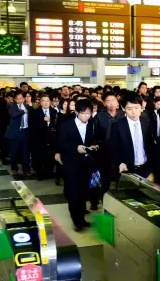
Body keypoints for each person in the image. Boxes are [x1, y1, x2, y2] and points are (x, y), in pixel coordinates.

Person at [57, 99, 98, 231]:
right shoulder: (66, 125)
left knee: (83, 192)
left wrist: (93, 145)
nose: (87, 116)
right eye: (84, 113)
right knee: (73, 191)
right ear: (76, 112)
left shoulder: (91, 124)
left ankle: (81, 217)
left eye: (89, 113)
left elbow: (91, 139)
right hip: (71, 163)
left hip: (86, 163)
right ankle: (76, 220)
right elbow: (61, 144)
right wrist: (76, 148)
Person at [110, 92, 155, 179]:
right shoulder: (117, 126)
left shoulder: (146, 122)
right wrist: (120, 163)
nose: (134, 112)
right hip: (127, 168)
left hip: (146, 167)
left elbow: (150, 143)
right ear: (123, 108)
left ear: (141, 107)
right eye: (130, 109)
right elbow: (113, 148)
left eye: (136, 108)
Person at [30, 95, 58, 180]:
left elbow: (57, 125)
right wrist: (43, 120)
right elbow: (33, 125)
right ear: (40, 103)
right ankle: (39, 174)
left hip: (51, 138)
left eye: (47, 101)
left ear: (50, 102)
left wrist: (50, 121)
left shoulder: (54, 111)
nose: (46, 103)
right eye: (43, 101)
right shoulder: (35, 112)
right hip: (39, 138)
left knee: (50, 156)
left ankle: (48, 173)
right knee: (39, 156)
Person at [4, 92, 31, 177]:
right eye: (17, 98)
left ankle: (26, 169)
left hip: (25, 132)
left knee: (25, 152)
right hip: (15, 133)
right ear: (15, 99)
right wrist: (23, 111)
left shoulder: (27, 106)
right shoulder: (11, 106)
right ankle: (14, 168)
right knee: (14, 152)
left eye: (21, 98)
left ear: (24, 99)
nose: (19, 100)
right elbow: (13, 115)